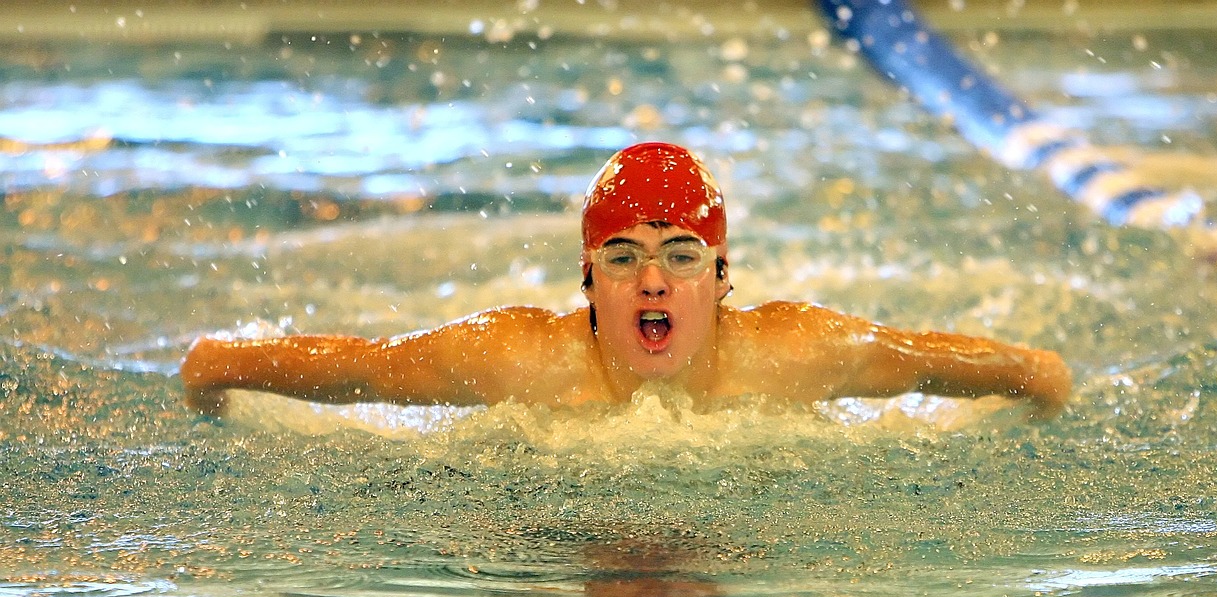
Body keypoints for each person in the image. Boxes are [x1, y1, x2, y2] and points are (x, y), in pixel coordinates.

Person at [180, 142, 1071, 419]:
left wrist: (1034, 376)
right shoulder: (519, 359)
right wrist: (224, 363)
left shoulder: (796, 351)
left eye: (680, 257)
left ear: (722, 280)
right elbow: (370, 367)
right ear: (588, 280)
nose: (652, 281)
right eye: (623, 259)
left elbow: (919, 359)